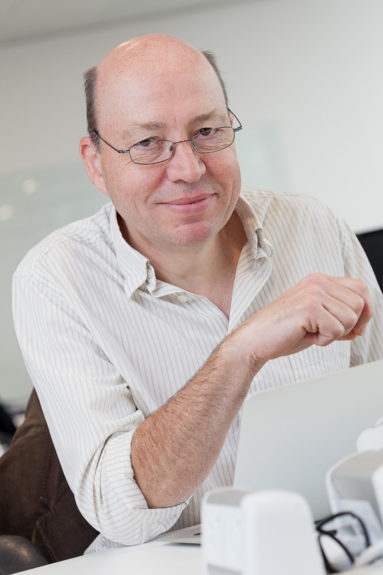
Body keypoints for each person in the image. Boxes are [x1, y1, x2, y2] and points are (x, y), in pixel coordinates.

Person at [12, 34, 383, 553]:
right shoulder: (55, 279)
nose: (188, 169)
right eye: (147, 143)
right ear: (95, 162)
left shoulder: (312, 224)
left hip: (342, 540)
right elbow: (120, 511)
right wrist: (240, 352)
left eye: (207, 131)